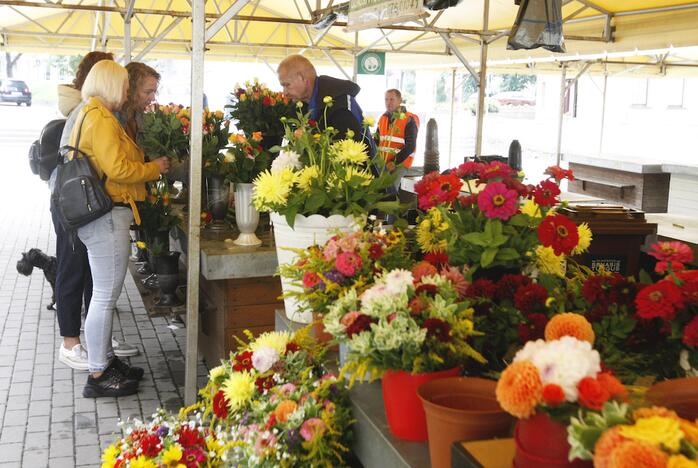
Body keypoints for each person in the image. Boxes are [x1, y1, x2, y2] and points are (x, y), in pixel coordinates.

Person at [68, 60, 170, 397]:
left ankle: (107, 362)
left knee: (103, 294)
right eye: (125, 85)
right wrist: (153, 168)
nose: (127, 92)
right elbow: (119, 169)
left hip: (100, 216)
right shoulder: (101, 119)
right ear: (112, 84)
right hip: (107, 214)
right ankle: (98, 374)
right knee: (104, 296)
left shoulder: (91, 113)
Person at [52, 51, 112, 371]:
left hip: (76, 196)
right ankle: (69, 343)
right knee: (71, 267)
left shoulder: (87, 107)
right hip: (72, 199)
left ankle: (93, 337)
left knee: (87, 270)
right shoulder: (85, 109)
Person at [277, 54, 375, 157]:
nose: (285, 93)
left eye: (287, 85)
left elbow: (346, 157)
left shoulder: (341, 108)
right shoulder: (303, 106)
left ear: (303, 79)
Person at [376, 89, 420, 195]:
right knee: (380, 192)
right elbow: (376, 140)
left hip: (400, 163)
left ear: (400, 101)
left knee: (390, 193)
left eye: (392, 99)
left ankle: (392, 211)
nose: (388, 102)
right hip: (383, 163)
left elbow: (410, 145)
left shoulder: (409, 119)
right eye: (386, 99)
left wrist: (395, 162)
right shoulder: (383, 118)